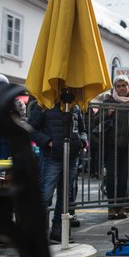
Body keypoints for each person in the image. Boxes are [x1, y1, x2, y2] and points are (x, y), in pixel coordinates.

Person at [28, 101, 87, 242]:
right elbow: (30, 129)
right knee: (45, 196)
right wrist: (48, 142)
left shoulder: (75, 106)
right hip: (51, 157)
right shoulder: (43, 104)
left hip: (71, 157)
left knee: (65, 197)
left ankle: (58, 232)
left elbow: (82, 129)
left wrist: (82, 142)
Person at [102, 75, 129, 220]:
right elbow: (96, 121)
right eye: (118, 86)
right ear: (115, 88)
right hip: (111, 145)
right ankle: (112, 207)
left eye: (124, 85)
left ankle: (123, 206)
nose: (121, 88)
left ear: (128, 86)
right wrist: (108, 114)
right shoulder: (108, 101)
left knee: (126, 176)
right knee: (113, 176)